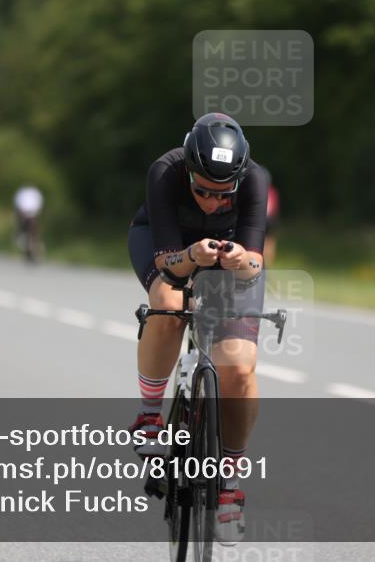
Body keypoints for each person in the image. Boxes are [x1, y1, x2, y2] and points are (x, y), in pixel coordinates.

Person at [127, 113, 268, 544]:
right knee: (169, 306)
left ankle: (228, 488)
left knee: (240, 369)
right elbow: (169, 261)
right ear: (188, 169)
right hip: (166, 243)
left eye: (222, 194)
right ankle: (150, 415)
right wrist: (192, 254)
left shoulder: (257, 180)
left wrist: (239, 259)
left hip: (228, 257)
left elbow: (255, 263)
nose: (210, 201)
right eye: (202, 190)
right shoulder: (165, 171)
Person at [13, 185, 44, 262]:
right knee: (21, 227)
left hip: (32, 214)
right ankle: (21, 238)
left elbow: (38, 204)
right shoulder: (22, 194)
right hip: (24, 214)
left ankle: (36, 247)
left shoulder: (33, 194)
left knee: (34, 230)